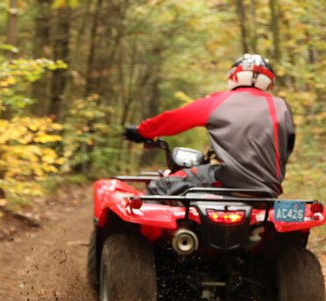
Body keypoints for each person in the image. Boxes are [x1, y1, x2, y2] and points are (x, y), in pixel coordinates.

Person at [124, 53, 295, 197]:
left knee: (159, 187)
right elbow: (286, 147)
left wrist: (142, 132)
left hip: (227, 180)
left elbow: (173, 119)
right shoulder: (282, 107)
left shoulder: (219, 101)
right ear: (269, 83)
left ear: (234, 76)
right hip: (268, 189)